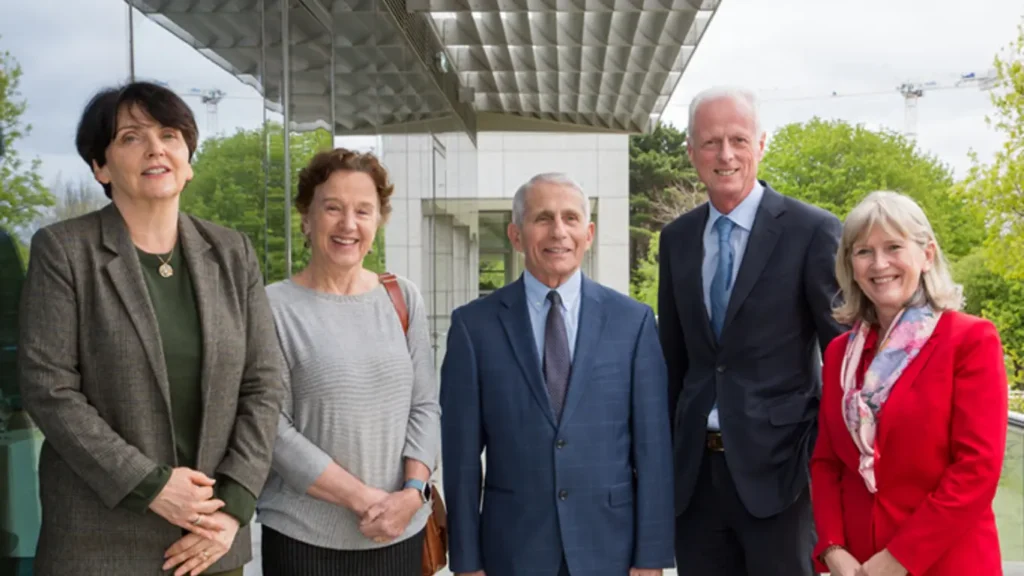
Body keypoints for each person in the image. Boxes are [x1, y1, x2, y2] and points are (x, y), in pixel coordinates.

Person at [17, 81, 284, 576]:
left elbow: (264, 383)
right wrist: (152, 486)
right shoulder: (64, 251)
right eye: (131, 137)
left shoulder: (232, 252)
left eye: (170, 134)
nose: (156, 147)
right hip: (101, 545)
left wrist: (235, 504)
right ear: (101, 166)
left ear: (188, 158)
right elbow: (47, 388)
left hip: (209, 541)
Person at [441, 173, 675, 576]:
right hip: (512, 551)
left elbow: (652, 450)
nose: (558, 232)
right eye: (543, 218)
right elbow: (460, 459)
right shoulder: (472, 327)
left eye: (570, 218)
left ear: (589, 233)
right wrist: (466, 562)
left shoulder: (632, 322)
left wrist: (651, 558)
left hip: (610, 550)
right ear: (516, 235)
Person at [658, 86, 846, 576]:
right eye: (711, 142)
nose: (725, 155)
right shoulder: (676, 240)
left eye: (739, 140)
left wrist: (822, 466)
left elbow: (841, 355)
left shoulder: (813, 231)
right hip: (695, 481)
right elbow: (673, 362)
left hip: (782, 477)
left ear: (761, 144)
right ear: (691, 151)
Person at [255, 148, 440, 575]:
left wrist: (413, 493)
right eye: (332, 208)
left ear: (379, 220)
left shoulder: (402, 296)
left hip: (400, 535)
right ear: (306, 217)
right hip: (303, 540)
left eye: (363, 210)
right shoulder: (271, 306)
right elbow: (273, 428)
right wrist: (368, 501)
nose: (348, 224)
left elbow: (425, 406)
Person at [811, 191, 1007, 576]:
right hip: (857, 567)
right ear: (850, 264)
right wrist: (832, 548)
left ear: (927, 254)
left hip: (945, 562)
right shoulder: (839, 354)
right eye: (863, 251)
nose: (879, 263)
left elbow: (976, 469)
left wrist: (899, 557)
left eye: (893, 247)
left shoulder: (970, 341)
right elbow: (826, 463)